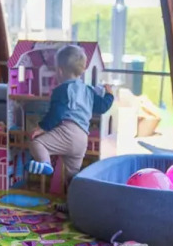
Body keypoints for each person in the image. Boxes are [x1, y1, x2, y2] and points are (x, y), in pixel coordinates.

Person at [26, 44, 114, 184]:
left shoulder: (62, 90)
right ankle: (73, 197)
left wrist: (42, 127)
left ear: (60, 71)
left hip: (67, 132)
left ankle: (45, 163)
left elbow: (57, 112)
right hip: (82, 139)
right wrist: (109, 94)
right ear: (82, 70)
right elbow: (103, 107)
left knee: (36, 143)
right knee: (73, 177)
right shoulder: (89, 91)